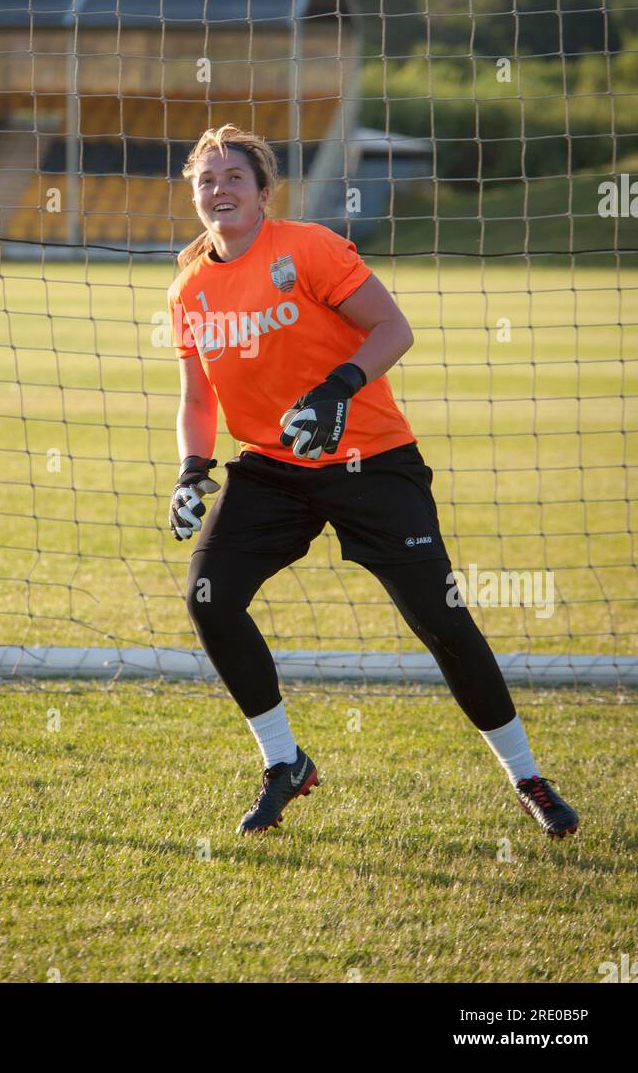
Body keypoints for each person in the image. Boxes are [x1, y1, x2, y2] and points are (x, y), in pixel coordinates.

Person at [166, 123, 579, 839]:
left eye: (234, 176)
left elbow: (392, 328)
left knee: (440, 620)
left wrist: (339, 386)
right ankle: (284, 763)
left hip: (372, 459)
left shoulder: (309, 248)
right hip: (272, 467)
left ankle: (527, 778)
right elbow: (198, 400)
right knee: (210, 598)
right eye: (206, 179)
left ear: (264, 192)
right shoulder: (189, 289)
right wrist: (191, 472)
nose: (218, 188)